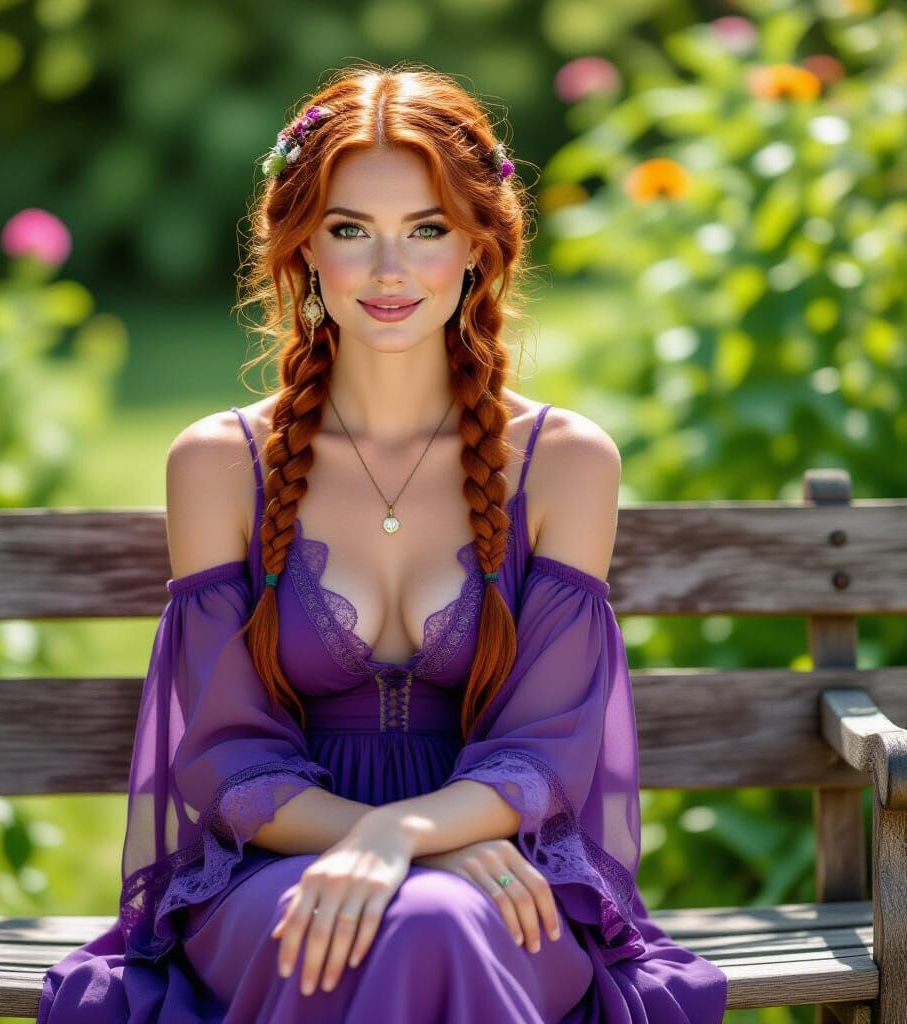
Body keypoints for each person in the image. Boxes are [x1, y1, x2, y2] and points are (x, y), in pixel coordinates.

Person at [37, 62, 728, 1022]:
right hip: (277, 863)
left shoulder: (563, 462)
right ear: (305, 248)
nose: (389, 270)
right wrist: (387, 839)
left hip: (508, 871)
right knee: (397, 925)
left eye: (427, 230)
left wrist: (409, 835)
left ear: (481, 245)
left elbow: (548, 749)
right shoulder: (219, 464)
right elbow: (227, 757)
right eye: (352, 230)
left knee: (435, 924)